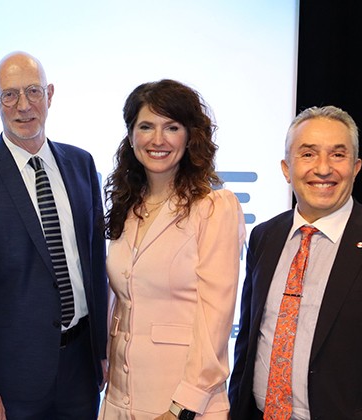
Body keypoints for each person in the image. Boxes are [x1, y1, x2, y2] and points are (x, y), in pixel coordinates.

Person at [0, 51, 108, 419]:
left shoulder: (81, 164)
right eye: (10, 95)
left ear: (50, 94)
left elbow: (94, 265)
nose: (23, 106)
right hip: (11, 381)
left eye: (33, 91)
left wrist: (101, 351)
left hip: (82, 370)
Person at [99, 79, 245, 420]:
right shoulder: (127, 205)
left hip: (182, 404)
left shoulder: (213, 207)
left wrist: (183, 405)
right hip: (119, 399)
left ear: (190, 135)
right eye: (146, 126)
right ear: (131, 135)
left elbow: (216, 319)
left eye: (172, 127)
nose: (158, 139)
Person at [229, 105, 362, 419]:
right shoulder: (265, 237)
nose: (323, 169)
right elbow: (249, 339)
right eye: (308, 154)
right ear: (286, 168)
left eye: (338, 155)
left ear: (356, 166)